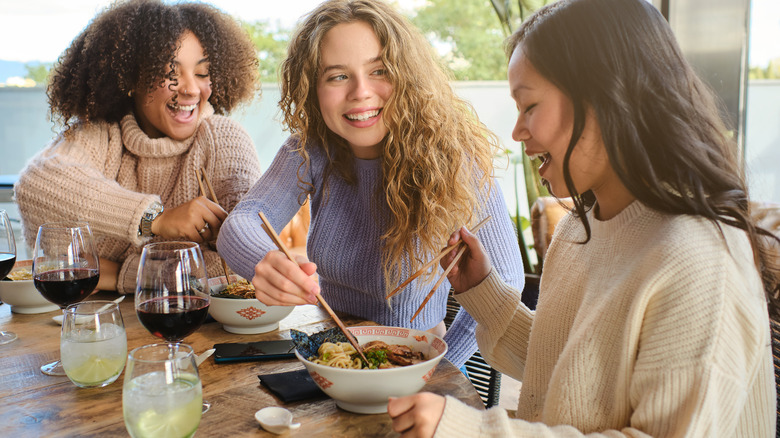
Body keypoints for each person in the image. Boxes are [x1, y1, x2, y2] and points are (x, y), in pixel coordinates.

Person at [387, 0, 779, 436]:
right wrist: (481, 291)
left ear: (604, 98)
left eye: (529, 105)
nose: (518, 131)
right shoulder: (582, 227)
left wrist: (476, 432)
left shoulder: (701, 260)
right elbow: (567, 369)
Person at [216, 0, 524, 368]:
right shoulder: (312, 149)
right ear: (312, 88)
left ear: (408, 75)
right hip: (334, 356)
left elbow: (505, 281)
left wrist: (440, 367)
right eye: (337, 76)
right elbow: (242, 221)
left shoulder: (455, 155)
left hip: (412, 362)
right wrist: (262, 264)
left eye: (379, 70)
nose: (360, 92)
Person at [15, 0, 262, 295]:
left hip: (197, 335)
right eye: (171, 73)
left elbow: (242, 269)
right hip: (91, 327)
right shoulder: (102, 134)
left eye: (202, 72)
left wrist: (120, 273)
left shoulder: (225, 139)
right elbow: (36, 190)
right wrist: (155, 220)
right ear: (131, 78)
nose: (191, 89)